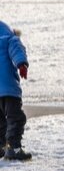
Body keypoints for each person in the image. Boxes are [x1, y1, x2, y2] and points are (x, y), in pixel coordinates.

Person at [0, 22, 31, 161]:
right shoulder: (8, 35)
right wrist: (21, 63)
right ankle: (13, 148)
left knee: (1, 121)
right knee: (16, 118)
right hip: (8, 89)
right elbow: (16, 48)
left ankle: (2, 147)